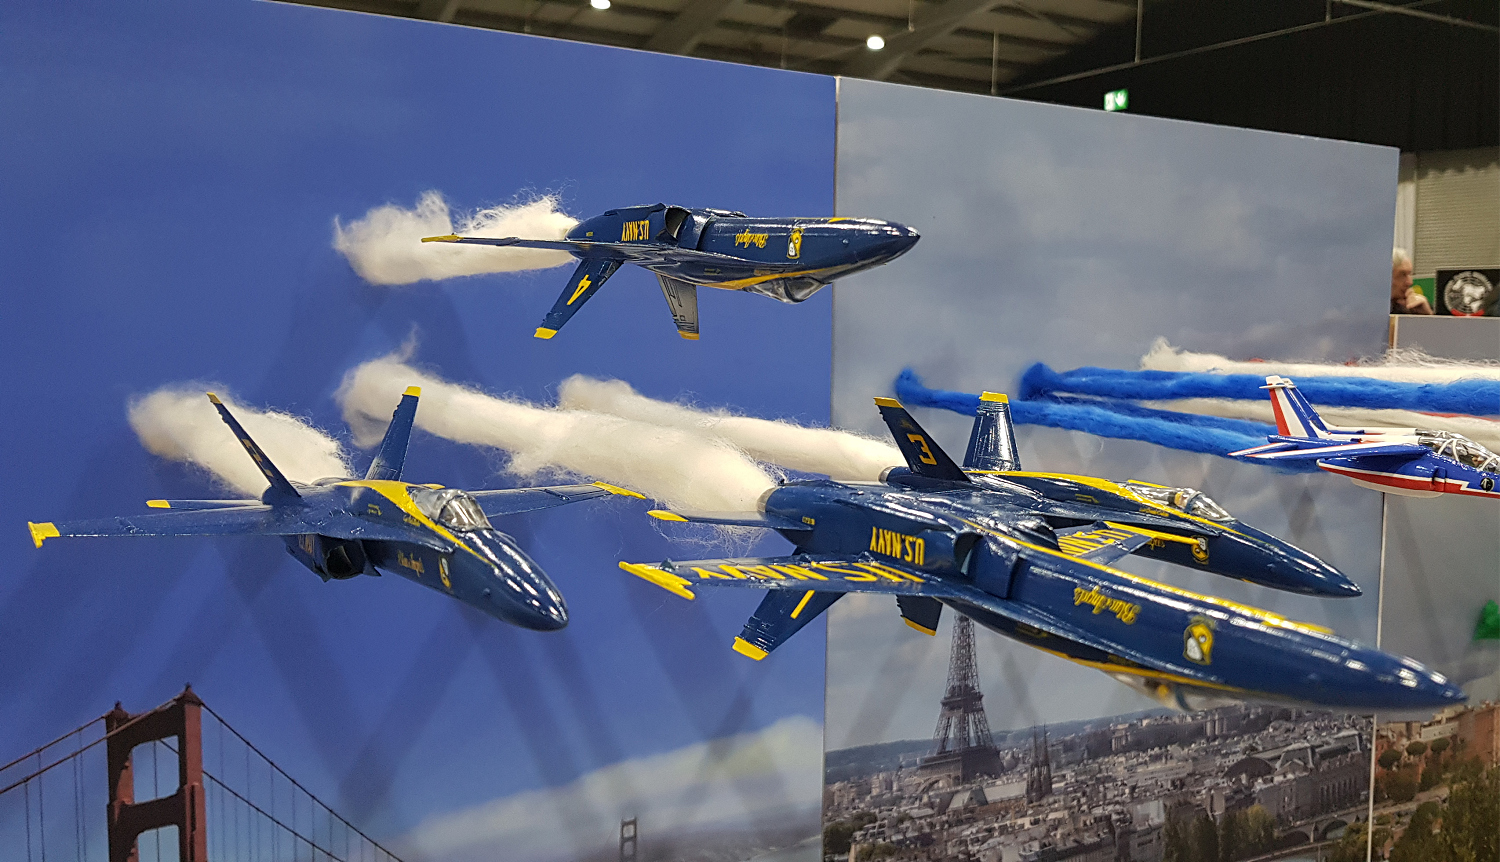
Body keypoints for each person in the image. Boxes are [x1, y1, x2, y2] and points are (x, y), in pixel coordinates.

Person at [1390, 248, 1432, 314]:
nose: (1410, 282)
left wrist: (1426, 315)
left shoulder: (1411, 307)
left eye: (1409, 274)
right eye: (1402, 275)